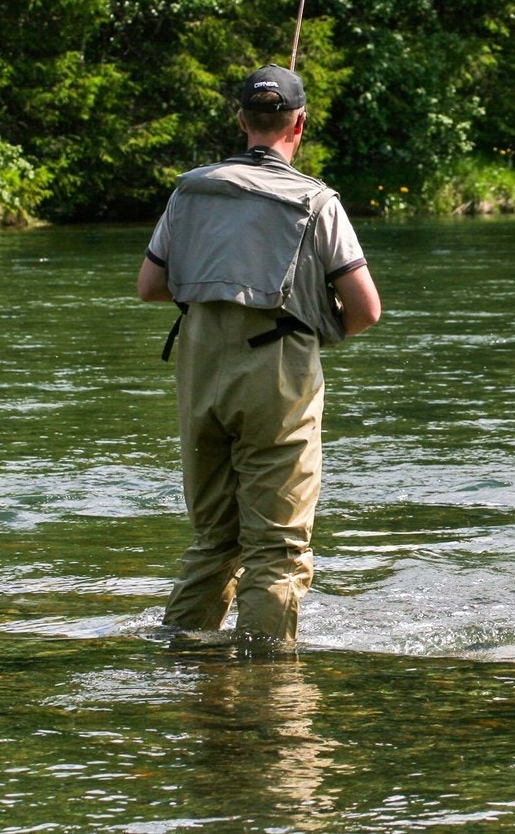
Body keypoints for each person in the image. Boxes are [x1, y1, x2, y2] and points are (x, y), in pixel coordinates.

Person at [137, 63, 380, 644]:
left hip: (200, 371)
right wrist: (318, 326)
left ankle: (183, 664)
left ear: (242, 121)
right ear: (300, 124)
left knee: (214, 540)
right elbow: (366, 308)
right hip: (279, 376)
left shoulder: (190, 191)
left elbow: (150, 286)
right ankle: (267, 682)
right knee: (277, 547)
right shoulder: (316, 201)